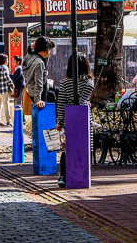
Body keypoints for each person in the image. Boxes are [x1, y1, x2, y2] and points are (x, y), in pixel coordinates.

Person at [55, 53, 95, 188]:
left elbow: (61, 103)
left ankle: (63, 176)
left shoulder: (65, 82)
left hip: (69, 117)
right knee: (84, 147)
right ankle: (82, 173)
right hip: (84, 116)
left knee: (67, 148)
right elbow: (83, 99)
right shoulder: (89, 82)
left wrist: (60, 121)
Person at [22, 37, 54, 117]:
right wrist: (38, 100)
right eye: (49, 50)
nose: (50, 53)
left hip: (30, 90)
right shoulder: (39, 63)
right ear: (46, 49)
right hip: (38, 93)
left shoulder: (29, 57)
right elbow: (39, 82)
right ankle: (57, 123)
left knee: (57, 91)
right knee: (55, 95)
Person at [0, 53, 14, 127]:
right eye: (7, 60)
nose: (8, 61)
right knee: (6, 105)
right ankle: (8, 121)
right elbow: (7, 78)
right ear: (4, 60)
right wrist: (12, 84)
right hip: (4, 90)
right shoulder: (4, 68)